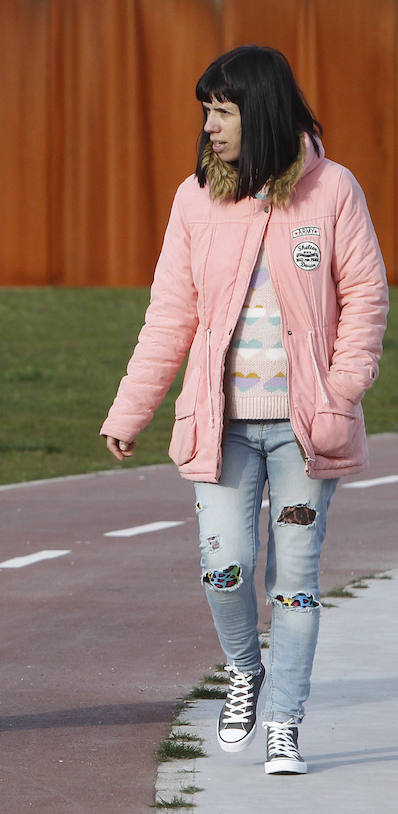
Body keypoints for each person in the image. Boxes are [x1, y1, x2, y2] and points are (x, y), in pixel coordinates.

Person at [101, 46, 388, 775]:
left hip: (305, 436)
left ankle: (286, 721)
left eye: (222, 112)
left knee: (295, 580)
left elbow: (365, 298)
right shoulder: (196, 199)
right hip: (221, 430)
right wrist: (129, 412)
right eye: (206, 112)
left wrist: (342, 389)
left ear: (258, 111)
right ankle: (244, 671)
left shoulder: (332, 191)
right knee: (223, 569)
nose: (210, 127)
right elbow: (171, 316)